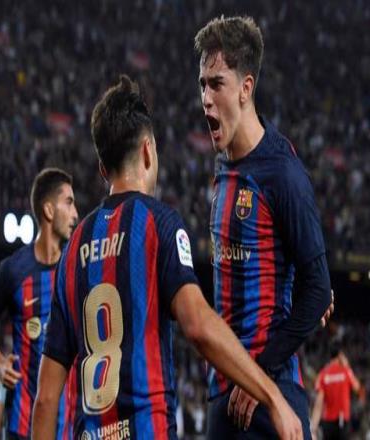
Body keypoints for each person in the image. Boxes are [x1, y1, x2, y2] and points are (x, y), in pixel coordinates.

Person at [32, 75, 303, 440]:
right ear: (148, 151)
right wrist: (273, 395)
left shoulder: (71, 250)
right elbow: (198, 325)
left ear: (102, 169)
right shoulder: (157, 223)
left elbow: (46, 399)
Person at [194, 16, 333, 439]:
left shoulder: (283, 172)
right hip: (223, 395)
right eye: (202, 85)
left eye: (216, 84)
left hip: (270, 395)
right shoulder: (223, 168)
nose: (205, 99)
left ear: (246, 88)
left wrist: (259, 374)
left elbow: (318, 290)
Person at [0, 168, 78, 439]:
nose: (75, 214)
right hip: (21, 425)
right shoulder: (13, 270)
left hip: (66, 428)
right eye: (68, 203)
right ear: (48, 210)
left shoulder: (77, 269)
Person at [311, 344, 364, 440]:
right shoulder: (346, 371)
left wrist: (313, 428)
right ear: (340, 355)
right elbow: (357, 388)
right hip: (341, 421)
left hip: (327, 422)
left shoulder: (323, 374)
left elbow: (319, 403)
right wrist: (347, 365)